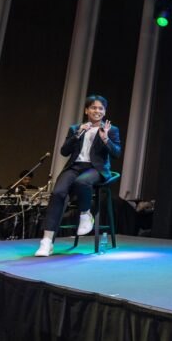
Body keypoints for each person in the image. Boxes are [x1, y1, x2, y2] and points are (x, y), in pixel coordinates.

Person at [35, 95, 121, 257]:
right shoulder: (76, 128)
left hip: (96, 169)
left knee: (82, 182)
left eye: (100, 108)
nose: (97, 111)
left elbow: (116, 153)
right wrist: (78, 134)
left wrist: (105, 139)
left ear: (104, 111)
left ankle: (85, 214)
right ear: (86, 110)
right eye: (93, 107)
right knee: (57, 193)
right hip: (74, 167)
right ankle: (47, 241)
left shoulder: (111, 129)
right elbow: (64, 151)